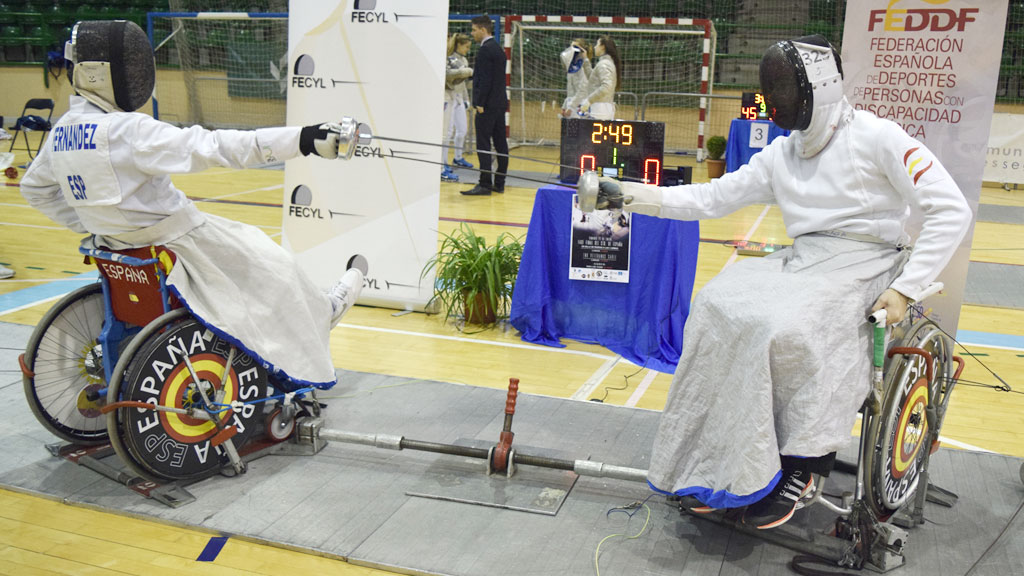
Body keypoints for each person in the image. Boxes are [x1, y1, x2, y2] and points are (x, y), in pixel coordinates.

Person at [587, 35, 972, 529]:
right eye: (775, 91)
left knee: (784, 325)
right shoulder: (783, 153)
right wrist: (626, 195)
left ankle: (807, 463)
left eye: (786, 89)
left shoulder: (879, 137)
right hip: (806, 259)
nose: (779, 102)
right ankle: (726, 459)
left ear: (820, 88)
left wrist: (906, 288)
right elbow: (710, 198)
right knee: (714, 304)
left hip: (868, 264)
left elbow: (949, 207)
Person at [19, 20, 364, 390]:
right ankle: (323, 311)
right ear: (108, 73)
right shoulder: (128, 131)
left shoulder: (63, 132)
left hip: (119, 248)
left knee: (254, 257)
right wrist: (304, 138)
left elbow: (34, 188)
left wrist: (91, 222)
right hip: (180, 243)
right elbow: (216, 147)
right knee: (273, 265)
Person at [461, 14, 508, 197]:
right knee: (500, 143)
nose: (472, 33)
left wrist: (479, 102)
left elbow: (485, 80)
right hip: (499, 103)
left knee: (483, 144)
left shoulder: (485, 50)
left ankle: (484, 184)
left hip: (487, 105)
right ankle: (500, 182)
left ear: (483, 29)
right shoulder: (498, 49)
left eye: (474, 30)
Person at [441, 33, 474, 183]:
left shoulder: (461, 59)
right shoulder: (447, 57)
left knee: (462, 130)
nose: (467, 50)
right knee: (446, 133)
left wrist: (466, 99)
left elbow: (462, 82)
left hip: (457, 97)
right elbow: (449, 75)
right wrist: (465, 72)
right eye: (466, 46)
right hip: (447, 97)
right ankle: (442, 165)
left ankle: (458, 157)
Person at [569, 36, 621, 120]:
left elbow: (606, 87)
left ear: (603, 47)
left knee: (589, 132)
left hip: (599, 109)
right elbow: (592, 79)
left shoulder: (604, 64)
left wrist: (589, 100)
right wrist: (585, 59)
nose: (594, 47)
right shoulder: (605, 63)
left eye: (597, 44)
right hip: (602, 108)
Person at [560, 38, 593, 118]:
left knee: (580, 129)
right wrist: (565, 106)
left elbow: (582, 91)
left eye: (574, 47)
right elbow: (571, 92)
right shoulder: (572, 68)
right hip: (572, 106)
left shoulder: (584, 68)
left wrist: (571, 107)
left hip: (581, 108)